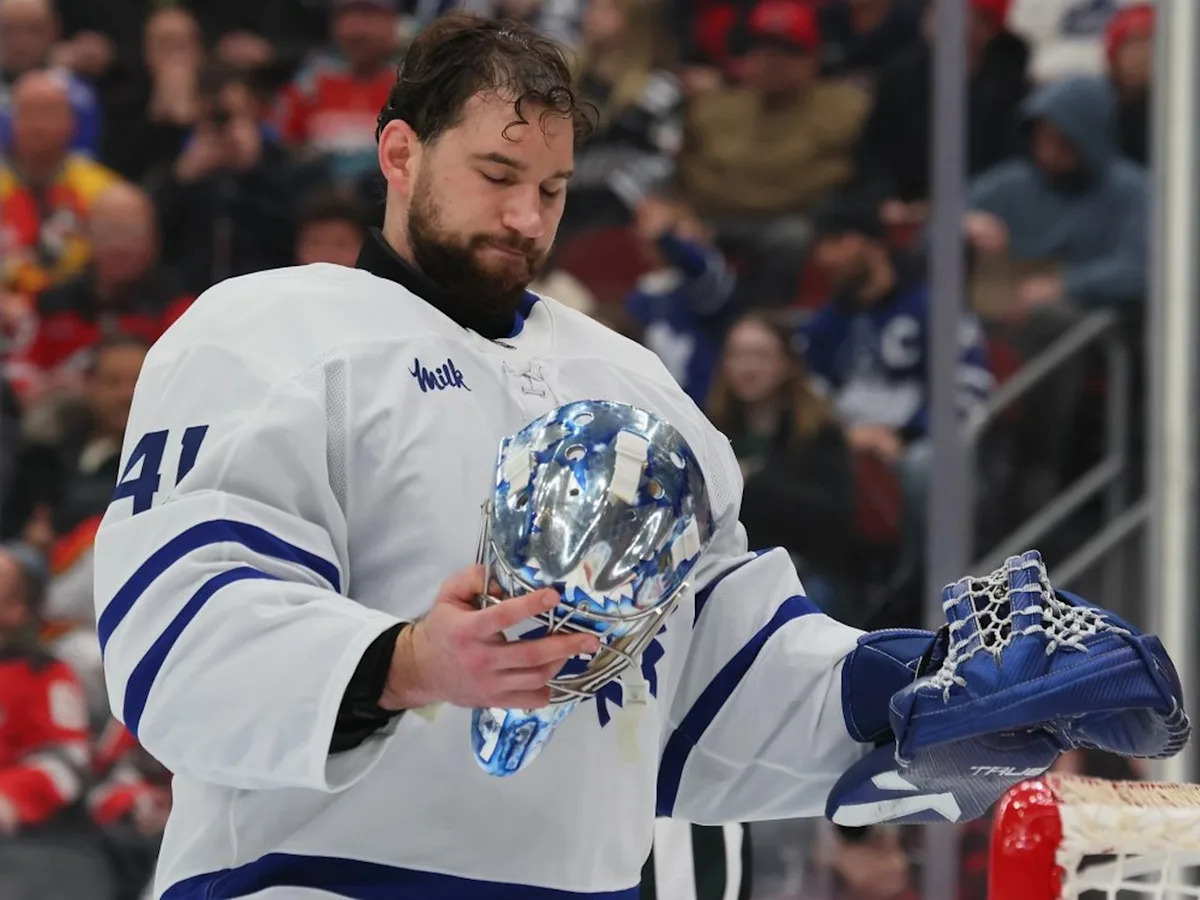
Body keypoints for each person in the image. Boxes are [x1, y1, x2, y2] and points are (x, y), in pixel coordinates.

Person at [91, 14, 1180, 900]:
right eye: (496, 174)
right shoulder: (267, 332)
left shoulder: (633, 384)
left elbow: (711, 690)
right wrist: (411, 662)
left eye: (553, 190)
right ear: (398, 152)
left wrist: (915, 696)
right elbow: (174, 640)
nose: (525, 217)